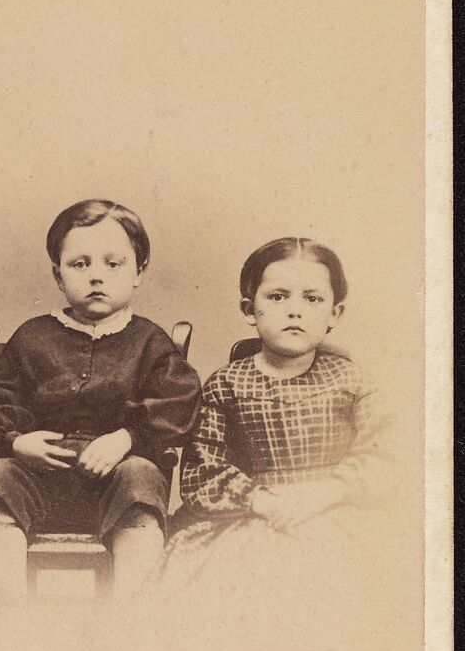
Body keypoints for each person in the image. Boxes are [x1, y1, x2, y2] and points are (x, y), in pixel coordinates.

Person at [0, 199, 201, 600]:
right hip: (38, 481)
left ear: (138, 272)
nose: (96, 277)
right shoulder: (31, 338)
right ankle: (10, 608)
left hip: (116, 481)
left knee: (142, 476)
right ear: (58, 276)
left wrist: (126, 438)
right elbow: (0, 403)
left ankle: (128, 610)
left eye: (113, 264)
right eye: (80, 264)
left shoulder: (150, 342)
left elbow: (176, 403)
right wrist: (16, 442)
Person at [159, 237, 398, 601]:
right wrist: (262, 501)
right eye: (277, 297)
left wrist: (327, 492)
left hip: (333, 510)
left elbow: (382, 456)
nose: (295, 311)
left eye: (313, 298)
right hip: (251, 515)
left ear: (335, 313)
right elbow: (201, 471)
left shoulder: (353, 380)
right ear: (249, 308)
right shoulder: (227, 383)